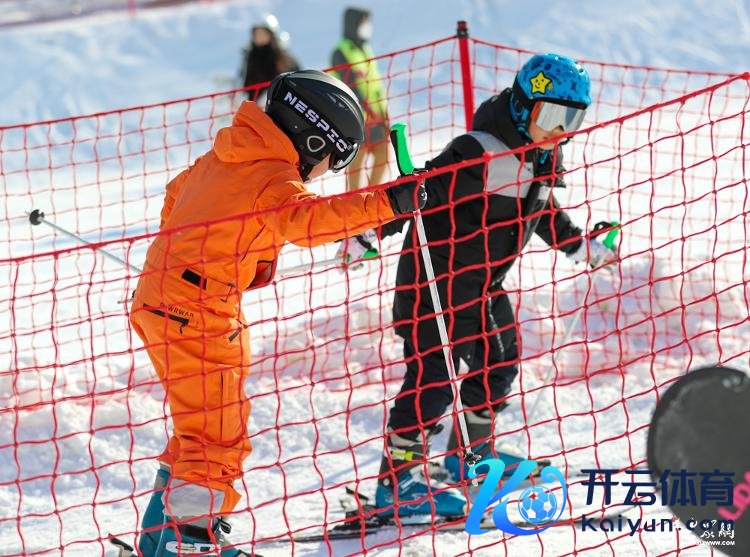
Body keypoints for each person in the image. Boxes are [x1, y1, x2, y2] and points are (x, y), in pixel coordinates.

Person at [129, 70, 425, 555]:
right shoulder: (273, 178)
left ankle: (161, 535)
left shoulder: (228, 155)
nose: (322, 173)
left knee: (197, 424)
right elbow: (310, 221)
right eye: (331, 161)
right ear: (314, 139)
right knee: (216, 434)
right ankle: (190, 540)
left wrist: (192, 255)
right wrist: (389, 201)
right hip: (198, 311)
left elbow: (176, 193)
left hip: (162, 298)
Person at [359, 53, 618, 519]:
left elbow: (541, 209)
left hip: (483, 284)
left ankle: (470, 455)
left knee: (500, 361)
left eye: (572, 119)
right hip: (434, 285)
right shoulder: (478, 152)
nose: (561, 129)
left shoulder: (543, 154)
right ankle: (396, 483)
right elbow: (420, 191)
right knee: (433, 380)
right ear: (522, 105)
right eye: (552, 116)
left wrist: (579, 246)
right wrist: (370, 231)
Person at [330, 7, 389, 192]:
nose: (367, 26)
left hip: (375, 116)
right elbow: (350, 85)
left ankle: (371, 195)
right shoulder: (340, 52)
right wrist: (366, 111)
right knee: (357, 161)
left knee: (383, 154)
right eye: (364, 22)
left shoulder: (365, 49)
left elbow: (375, 84)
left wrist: (383, 112)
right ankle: (354, 199)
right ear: (353, 23)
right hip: (355, 117)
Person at [240, 14, 300, 105]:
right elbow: (246, 80)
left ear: (271, 34)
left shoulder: (282, 55)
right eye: (256, 34)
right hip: (255, 103)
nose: (259, 37)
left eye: (263, 33)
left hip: (280, 101)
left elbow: (294, 78)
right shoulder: (250, 55)